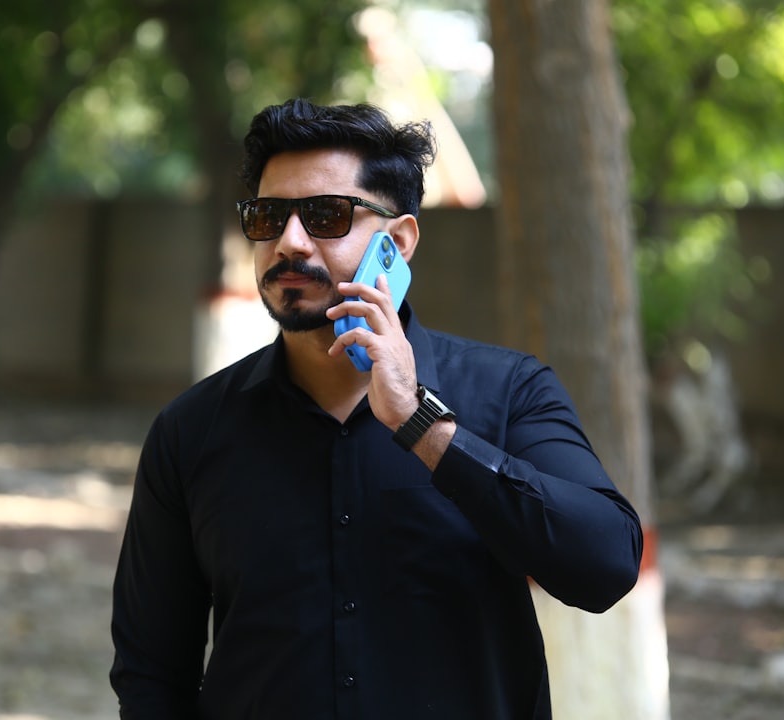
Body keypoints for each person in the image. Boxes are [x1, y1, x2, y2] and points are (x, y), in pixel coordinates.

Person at [110, 98, 642, 719]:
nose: (289, 242)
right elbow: (152, 674)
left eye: (326, 215)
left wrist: (425, 429)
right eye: (268, 216)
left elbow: (605, 565)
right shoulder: (191, 431)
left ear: (398, 242)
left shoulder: (510, 391)